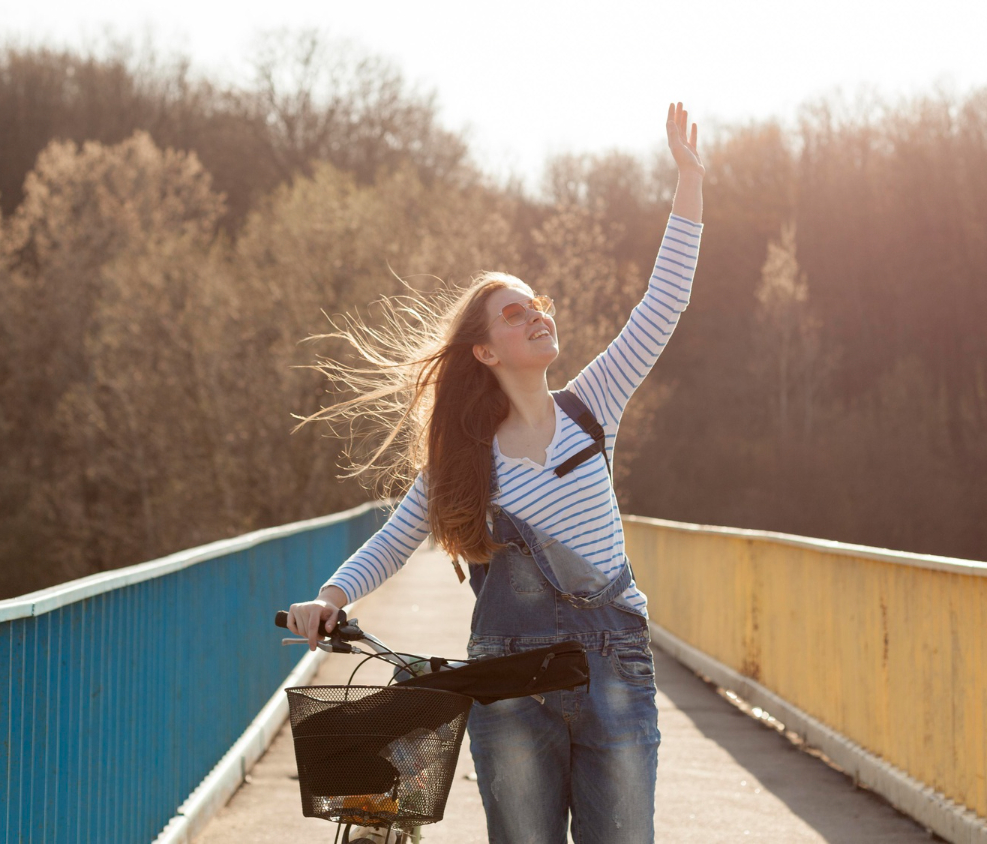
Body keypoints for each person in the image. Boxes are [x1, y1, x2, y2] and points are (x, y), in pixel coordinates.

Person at [285, 101, 705, 844]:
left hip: (613, 666)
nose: (536, 315)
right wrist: (330, 595)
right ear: (484, 351)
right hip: (510, 682)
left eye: (536, 305)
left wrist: (689, 180)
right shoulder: (462, 460)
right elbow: (395, 538)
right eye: (515, 314)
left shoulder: (591, 405)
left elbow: (663, 303)